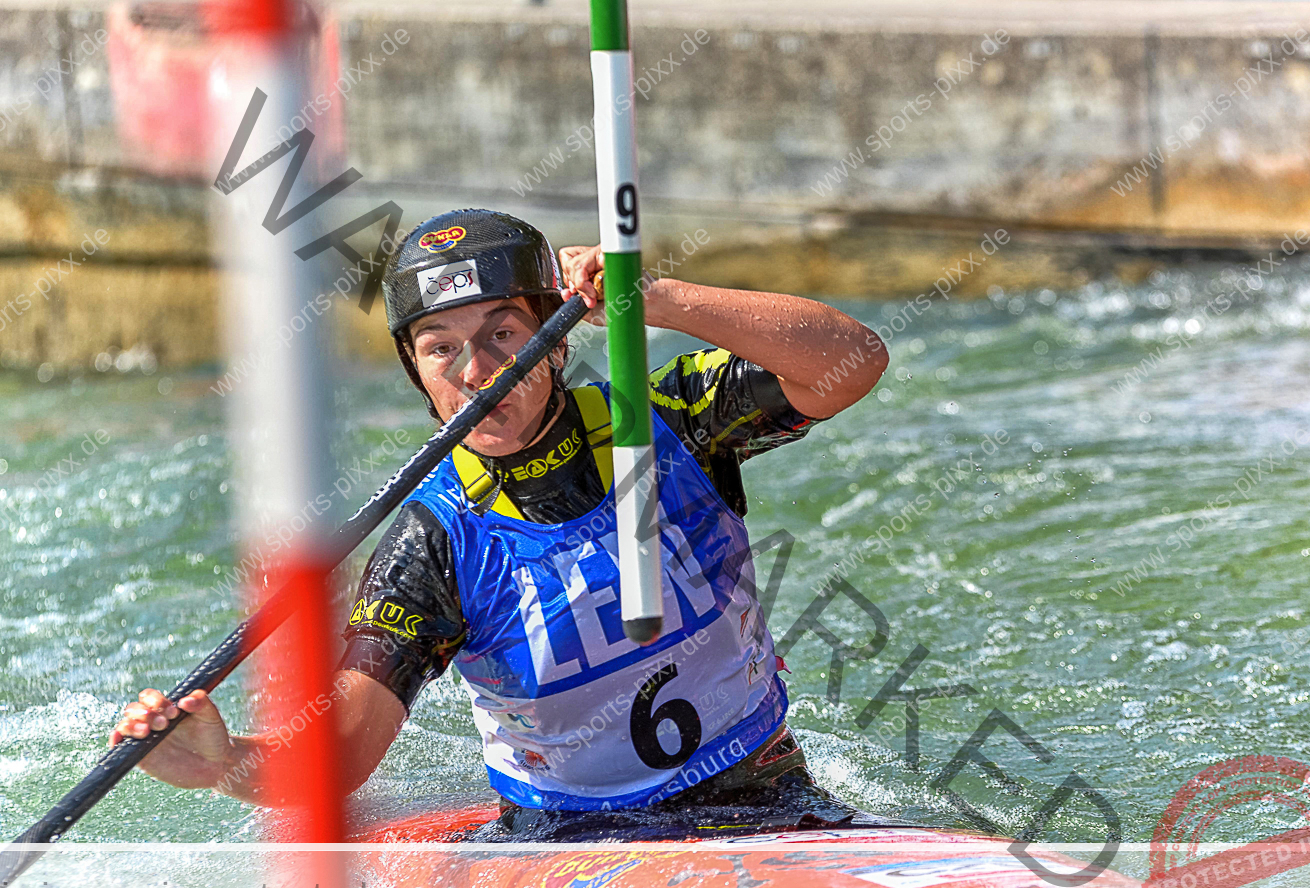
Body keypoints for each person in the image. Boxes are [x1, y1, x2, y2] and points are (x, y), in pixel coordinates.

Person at [111, 209, 889, 840]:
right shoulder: (436, 542)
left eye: (504, 334)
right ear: (416, 372)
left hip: (764, 794)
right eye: (440, 349)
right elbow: (340, 754)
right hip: (573, 840)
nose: (476, 371)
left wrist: (654, 297)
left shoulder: (668, 420)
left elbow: (853, 362)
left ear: (556, 340)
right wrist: (226, 763)